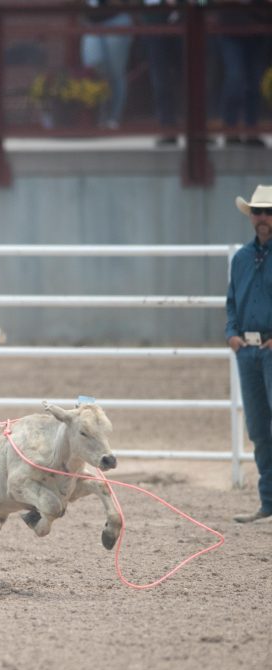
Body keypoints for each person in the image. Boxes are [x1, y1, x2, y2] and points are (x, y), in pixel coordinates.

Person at [225, 184, 272, 523]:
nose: (263, 218)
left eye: (268, 212)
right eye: (258, 211)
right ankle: (268, 501)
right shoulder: (241, 258)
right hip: (249, 351)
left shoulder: (243, 257)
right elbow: (231, 301)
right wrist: (232, 334)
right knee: (258, 428)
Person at [216, 1, 269, 148]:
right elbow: (201, 2)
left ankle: (251, 129)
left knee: (254, 82)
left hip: (257, 29)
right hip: (230, 28)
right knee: (235, 78)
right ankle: (230, 128)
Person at [81, 0, 134, 130]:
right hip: (91, 23)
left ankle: (113, 118)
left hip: (116, 20)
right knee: (93, 66)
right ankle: (98, 116)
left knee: (115, 71)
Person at [141, 0, 181, 146]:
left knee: (193, 78)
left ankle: (200, 127)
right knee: (160, 79)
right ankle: (168, 128)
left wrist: (197, 4)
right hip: (154, 24)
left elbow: (204, 3)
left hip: (189, 22)